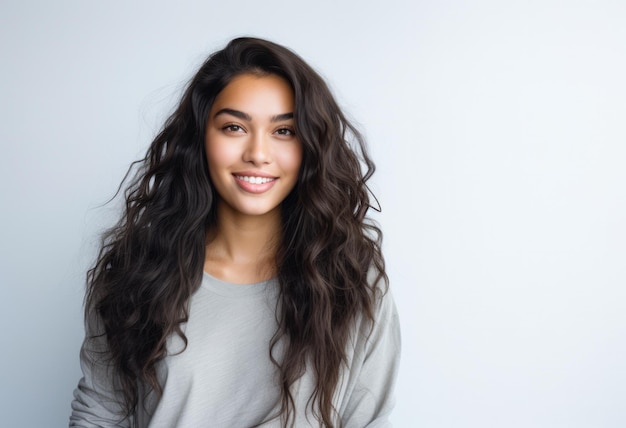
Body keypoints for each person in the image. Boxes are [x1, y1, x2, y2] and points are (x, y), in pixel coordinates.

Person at [69, 37, 400, 428]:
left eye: (285, 131)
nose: (258, 153)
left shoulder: (353, 282)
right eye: (234, 127)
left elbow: (369, 419)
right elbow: (100, 415)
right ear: (201, 138)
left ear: (311, 145)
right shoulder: (137, 272)